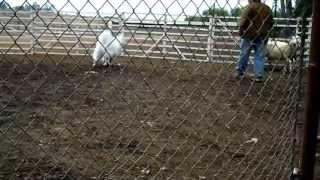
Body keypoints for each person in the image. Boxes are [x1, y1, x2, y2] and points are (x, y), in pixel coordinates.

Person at [235, 0, 273, 82]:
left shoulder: (249, 7)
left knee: (244, 53)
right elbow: (271, 22)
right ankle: (258, 75)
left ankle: (239, 72)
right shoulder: (266, 8)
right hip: (262, 35)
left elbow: (243, 20)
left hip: (249, 34)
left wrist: (240, 31)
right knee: (259, 56)